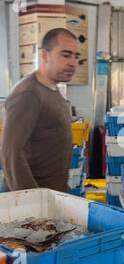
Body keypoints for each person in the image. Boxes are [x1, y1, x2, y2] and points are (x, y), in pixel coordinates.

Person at [1, 28, 80, 193]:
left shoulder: (52, 89)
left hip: (53, 195)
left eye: (76, 56)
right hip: (35, 203)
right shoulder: (28, 93)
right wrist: (32, 203)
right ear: (45, 55)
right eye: (66, 55)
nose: (73, 63)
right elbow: (11, 153)